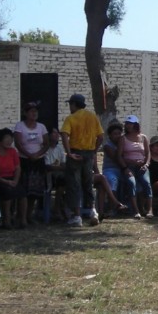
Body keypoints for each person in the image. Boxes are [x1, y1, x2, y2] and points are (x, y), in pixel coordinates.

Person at [61, 93, 104, 227]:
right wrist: (94, 151)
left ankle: (77, 216)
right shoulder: (93, 117)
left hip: (75, 153)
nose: (70, 107)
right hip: (89, 154)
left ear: (74, 104)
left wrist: (69, 153)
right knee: (88, 183)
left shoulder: (71, 118)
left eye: (70, 104)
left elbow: (64, 134)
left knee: (74, 185)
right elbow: (101, 137)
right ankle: (93, 211)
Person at [13, 101, 49, 217]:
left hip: (38, 162)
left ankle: (29, 215)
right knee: (23, 189)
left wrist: (37, 154)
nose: (34, 113)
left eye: (36, 111)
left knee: (35, 190)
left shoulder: (41, 127)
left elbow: (46, 144)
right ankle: (20, 215)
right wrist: (29, 154)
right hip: (24, 161)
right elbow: (18, 143)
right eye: (31, 111)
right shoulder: (20, 126)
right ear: (25, 113)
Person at [0, 128, 26, 229]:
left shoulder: (13, 151)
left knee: (22, 194)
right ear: (0, 141)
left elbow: (17, 168)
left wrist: (15, 180)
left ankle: (22, 220)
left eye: (11, 138)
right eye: (6, 138)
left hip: (12, 178)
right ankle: (6, 220)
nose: (9, 141)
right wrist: (5, 181)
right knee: (7, 193)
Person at [116, 115, 153, 218]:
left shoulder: (143, 137)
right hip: (129, 166)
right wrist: (125, 168)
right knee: (132, 183)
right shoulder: (123, 138)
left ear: (136, 125)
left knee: (146, 183)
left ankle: (150, 210)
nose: (128, 126)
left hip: (142, 166)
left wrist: (146, 164)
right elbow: (119, 156)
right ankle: (136, 211)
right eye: (127, 124)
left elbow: (148, 153)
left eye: (130, 124)